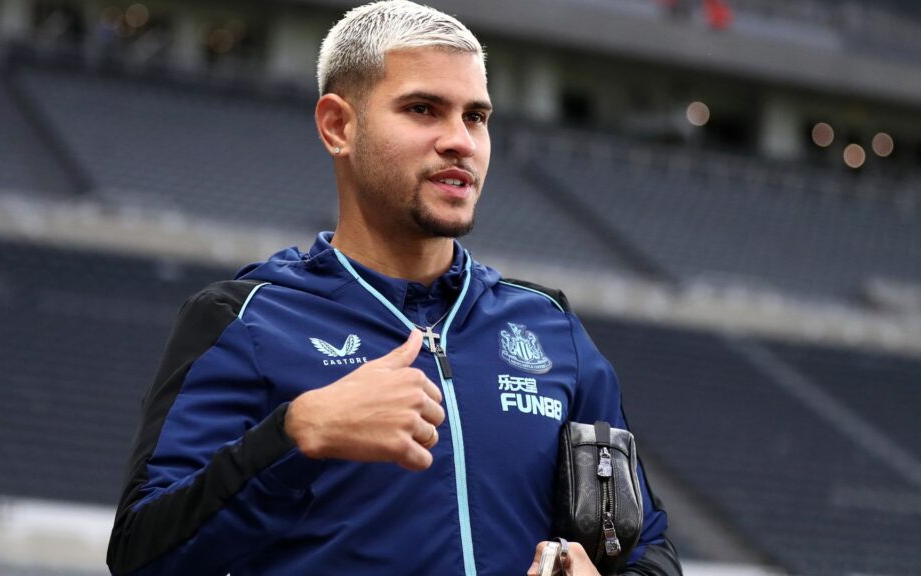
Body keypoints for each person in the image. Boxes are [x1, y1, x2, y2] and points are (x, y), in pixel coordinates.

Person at [106, 2, 682, 574]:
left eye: (475, 117)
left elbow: (648, 548)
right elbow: (141, 554)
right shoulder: (244, 319)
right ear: (338, 126)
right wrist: (296, 435)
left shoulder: (549, 327)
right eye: (423, 109)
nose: (460, 141)